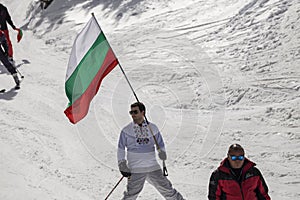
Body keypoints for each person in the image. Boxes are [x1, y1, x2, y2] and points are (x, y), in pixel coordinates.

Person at [117, 102, 185, 200]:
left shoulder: (152, 128)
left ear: (142, 112)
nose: (133, 115)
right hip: (136, 168)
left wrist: (162, 152)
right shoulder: (126, 130)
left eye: (135, 112)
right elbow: (121, 148)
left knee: (168, 190)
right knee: (131, 195)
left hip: (153, 167)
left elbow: (160, 144)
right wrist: (122, 164)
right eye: (131, 112)